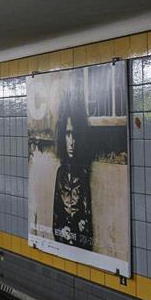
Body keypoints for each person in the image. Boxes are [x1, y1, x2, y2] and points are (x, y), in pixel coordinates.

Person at [52, 91, 94, 251]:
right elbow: (55, 218)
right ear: (63, 135)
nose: (72, 142)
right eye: (68, 134)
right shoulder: (60, 173)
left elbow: (87, 223)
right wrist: (62, 230)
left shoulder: (83, 174)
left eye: (75, 135)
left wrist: (78, 228)